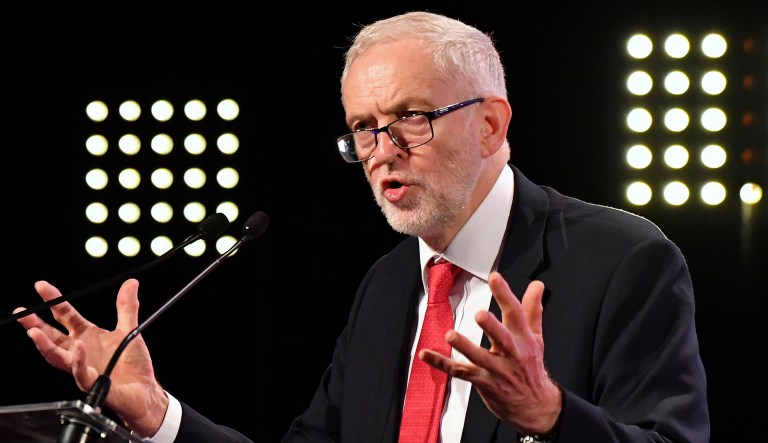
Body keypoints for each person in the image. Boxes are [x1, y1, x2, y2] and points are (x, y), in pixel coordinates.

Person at [15, 10, 709, 443]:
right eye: (363, 130)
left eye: (412, 116)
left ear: (492, 122)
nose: (383, 152)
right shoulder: (385, 289)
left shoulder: (623, 261)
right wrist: (161, 414)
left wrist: (554, 417)